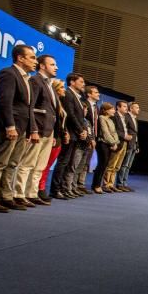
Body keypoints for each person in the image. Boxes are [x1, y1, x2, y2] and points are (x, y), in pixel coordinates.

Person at [0, 44, 38, 212]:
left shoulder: (27, 79)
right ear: (20, 58)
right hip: (7, 127)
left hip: (21, 128)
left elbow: (27, 108)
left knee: (12, 164)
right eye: (32, 58)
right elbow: (4, 102)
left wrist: (30, 130)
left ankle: (5, 196)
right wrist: (10, 126)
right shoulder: (8, 74)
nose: (36, 62)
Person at [12, 54, 58, 208]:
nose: (56, 67)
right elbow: (30, 107)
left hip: (48, 130)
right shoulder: (35, 81)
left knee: (40, 166)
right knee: (28, 163)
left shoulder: (50, 85)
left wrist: (52, 133)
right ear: (42, 66)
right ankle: (19, 194)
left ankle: (31, 193)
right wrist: (33, 129)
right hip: (37, 129)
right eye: (52, 64)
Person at [51, 72, 88, 200]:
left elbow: (79, 117)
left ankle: (62, 188)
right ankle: (55, 190)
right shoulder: (68, 94)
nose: (84, 84)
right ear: (72, 82)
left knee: (68, 163)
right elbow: (71, 115)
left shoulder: (77, 96)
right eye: (81, 81)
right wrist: (80, 130)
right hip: (70, 133)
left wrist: (83, 130)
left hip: (75, 134)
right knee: (63, 162)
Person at [75, 85, 101, 194]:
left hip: (92, 137)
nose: (98, 94)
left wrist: (94, 138)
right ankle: (74, 184)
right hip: (83, 137)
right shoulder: (83, 104)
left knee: (86, 163)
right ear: (89, 94)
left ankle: (81, 184)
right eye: (95, 92)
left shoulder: (96, 107)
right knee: (79, 162)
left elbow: (95, 124)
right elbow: (83, 121)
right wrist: (90, 138)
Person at [104, 100, 132, 192]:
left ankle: (111, 184)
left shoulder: (124, 117)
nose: (126, 108)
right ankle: (106, 184)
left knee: (117, 166)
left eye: (126, 106)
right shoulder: (115, 116)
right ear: (118, 107)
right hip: (117, 142)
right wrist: (124, 136)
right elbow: (114, 130)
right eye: (124, 106)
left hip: (124, 143)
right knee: (111, 165)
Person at [92, 102, 120, 194]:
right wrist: (113, 143)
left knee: (105, 165)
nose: (114, 110)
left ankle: (98, 184)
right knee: (102, 164)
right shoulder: (101, 118)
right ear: (105, 110)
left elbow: (114, 133)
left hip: (110, 144)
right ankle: (96, 185)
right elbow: (105, 133)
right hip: (103, 143)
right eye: (111, 109)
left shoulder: (111, 120)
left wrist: (116, 143)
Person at [117, 101, 140, 192]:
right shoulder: (126, 117)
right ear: (131, 108)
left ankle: (124, 183)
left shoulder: (135, 119)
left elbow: (135, 134)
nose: (139, 109)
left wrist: (137, 145)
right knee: (124, 164)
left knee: (128, 165)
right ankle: (120, 183)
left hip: (134, 144)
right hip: (128, 143)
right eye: (137, 107)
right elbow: (124, 130)